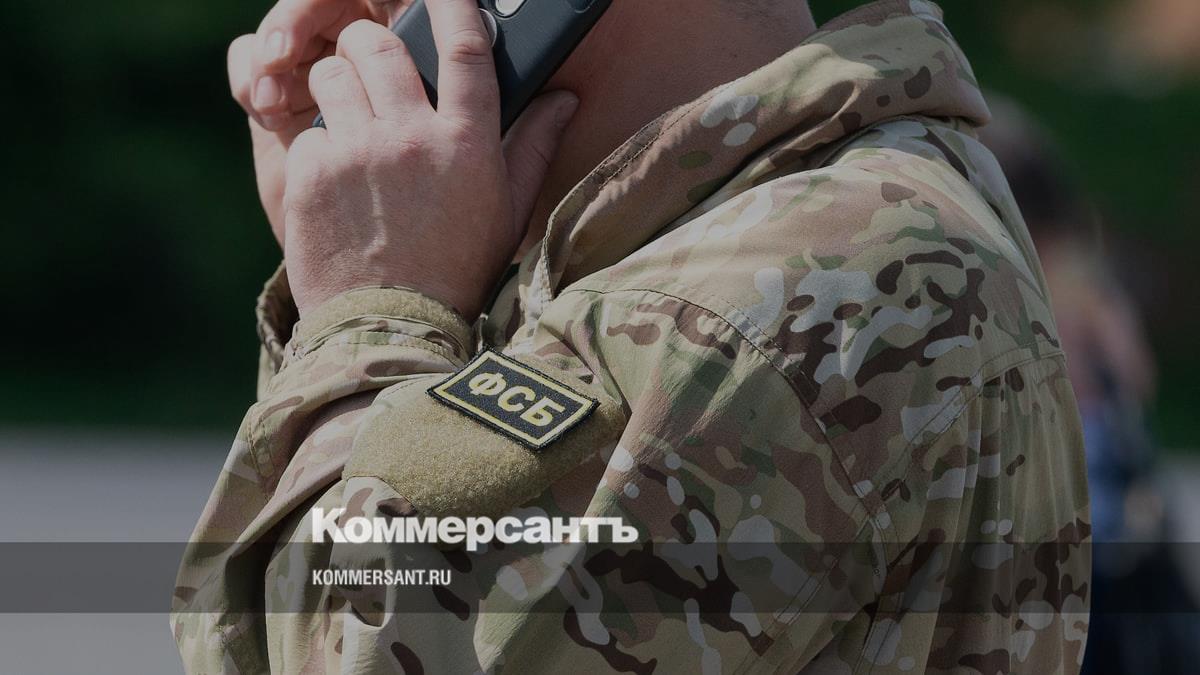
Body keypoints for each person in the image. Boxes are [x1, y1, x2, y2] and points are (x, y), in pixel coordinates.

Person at [172, 0, 1091, 672]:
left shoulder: (740, 312)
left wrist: (370, 316)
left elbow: (355, 646)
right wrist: (355, 285)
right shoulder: (802, 223)